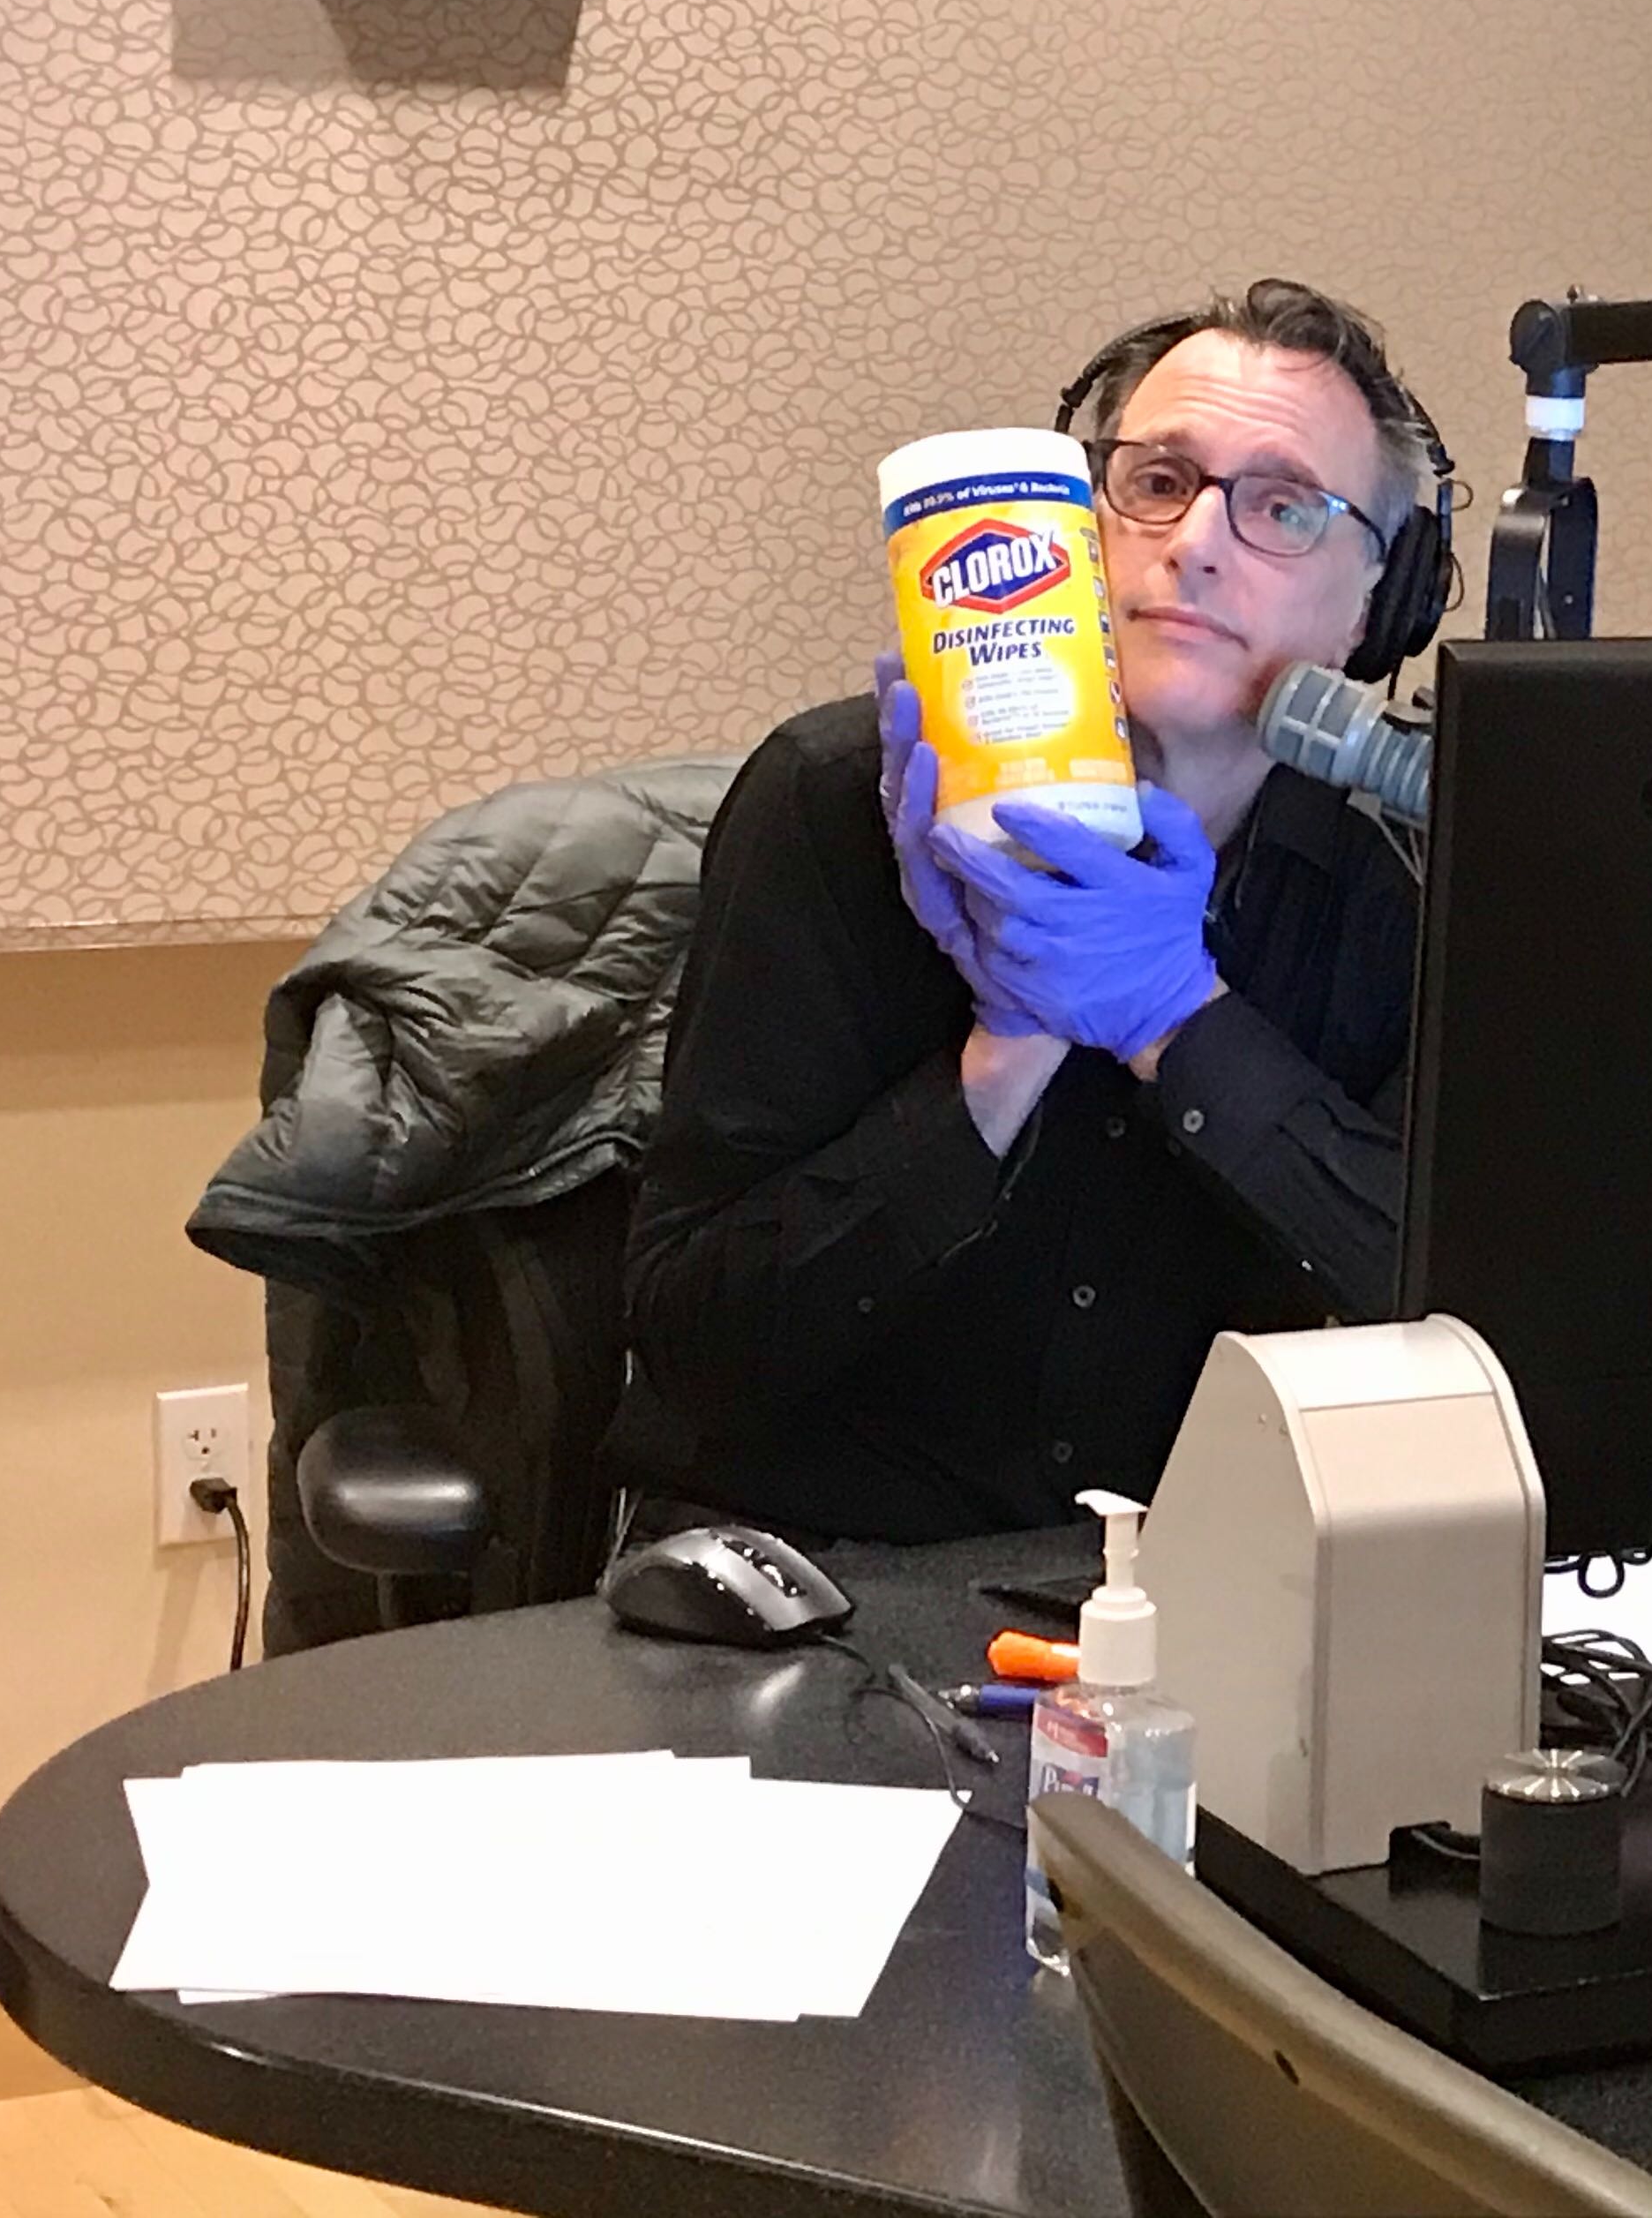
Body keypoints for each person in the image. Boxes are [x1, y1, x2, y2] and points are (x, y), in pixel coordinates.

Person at [612, 280, 1443, 1542]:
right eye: (1157, 483)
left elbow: (1444, 1331)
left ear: (1379, 606)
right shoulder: (832, 805)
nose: (1195, 542)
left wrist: (1180, 1021)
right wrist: (1002, 1062)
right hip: (816, 1584)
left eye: (1281, 507)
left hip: (1203, 1600)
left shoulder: (1404, 881)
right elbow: (696, 1344)